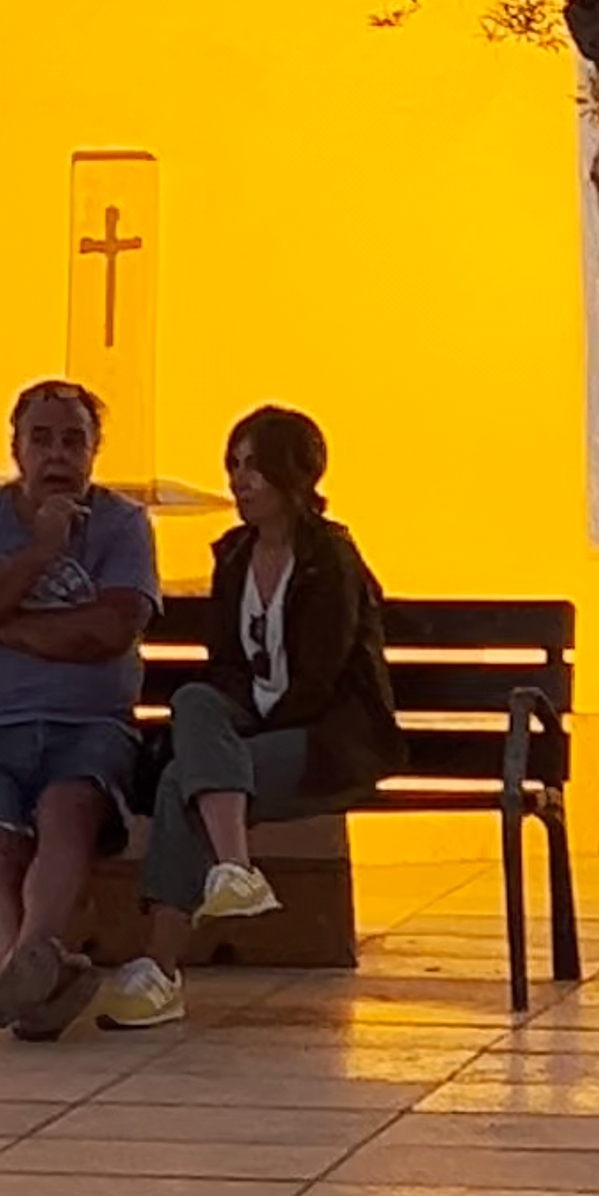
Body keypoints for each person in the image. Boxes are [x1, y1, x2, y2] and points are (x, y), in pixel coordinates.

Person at [93, 404, 395, 1028]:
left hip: (322, 742)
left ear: (294, 474)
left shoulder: (330, 560)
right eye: (232, 466)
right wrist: (231, 726)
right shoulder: (233, 556)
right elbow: (226, 668)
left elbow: (320, 681)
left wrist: (241, 733)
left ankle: (161, 970)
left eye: (254, 466)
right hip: (247, 739)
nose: (239, 481)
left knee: (184, 782)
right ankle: (233, 869)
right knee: (196, 701)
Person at [0, 374, 156, 1038]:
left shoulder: (121, 524)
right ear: (17, 448)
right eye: (43, 439)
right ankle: (30, 976)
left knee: (68, 810)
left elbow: (108, 632)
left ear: (94, 451)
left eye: (73, 440)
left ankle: (19, 978)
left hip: (89, 728)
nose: (58, 454)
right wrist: (41, 554)